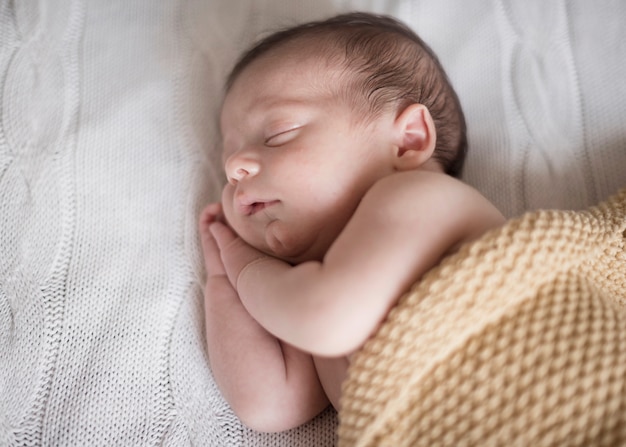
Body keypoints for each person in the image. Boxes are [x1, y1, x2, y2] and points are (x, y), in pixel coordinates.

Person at [199, 12, 505, 433]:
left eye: (278, 134)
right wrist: (220, 279)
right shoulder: (314, 284)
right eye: (227, 161)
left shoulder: (423, 199)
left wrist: (242, 265)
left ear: (408, 141)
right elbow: (270, 405)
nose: (235, 168)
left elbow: (321, 316)